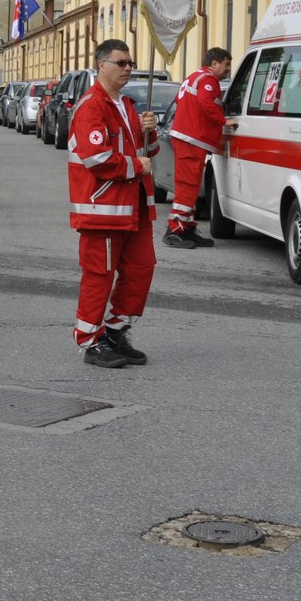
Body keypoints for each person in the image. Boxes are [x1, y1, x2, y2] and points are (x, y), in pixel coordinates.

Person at [68, 39, 159, 369]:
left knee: (141, 269)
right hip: (102, 207)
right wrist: (137, 165)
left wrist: (151, 134)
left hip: (133, 207)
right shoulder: (92, 106)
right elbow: (97, 158)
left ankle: (116, 331)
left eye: (130, 63)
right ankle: (90, 341)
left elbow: (145, 151)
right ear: (101, 65)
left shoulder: (128, 105)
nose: (128, 68)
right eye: (121, 62)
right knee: (99, 276)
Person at [163, 47, 232, 249]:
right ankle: (175, 230)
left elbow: (180, 101)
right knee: (187, 185)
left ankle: (187, 228)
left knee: (191, 185)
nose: (228, 69)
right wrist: (223, 121)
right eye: (226, 64)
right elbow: (205, 102)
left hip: (188, 138)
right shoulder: (209, 80)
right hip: (191, 139)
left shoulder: (194, 77)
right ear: (214, 64)